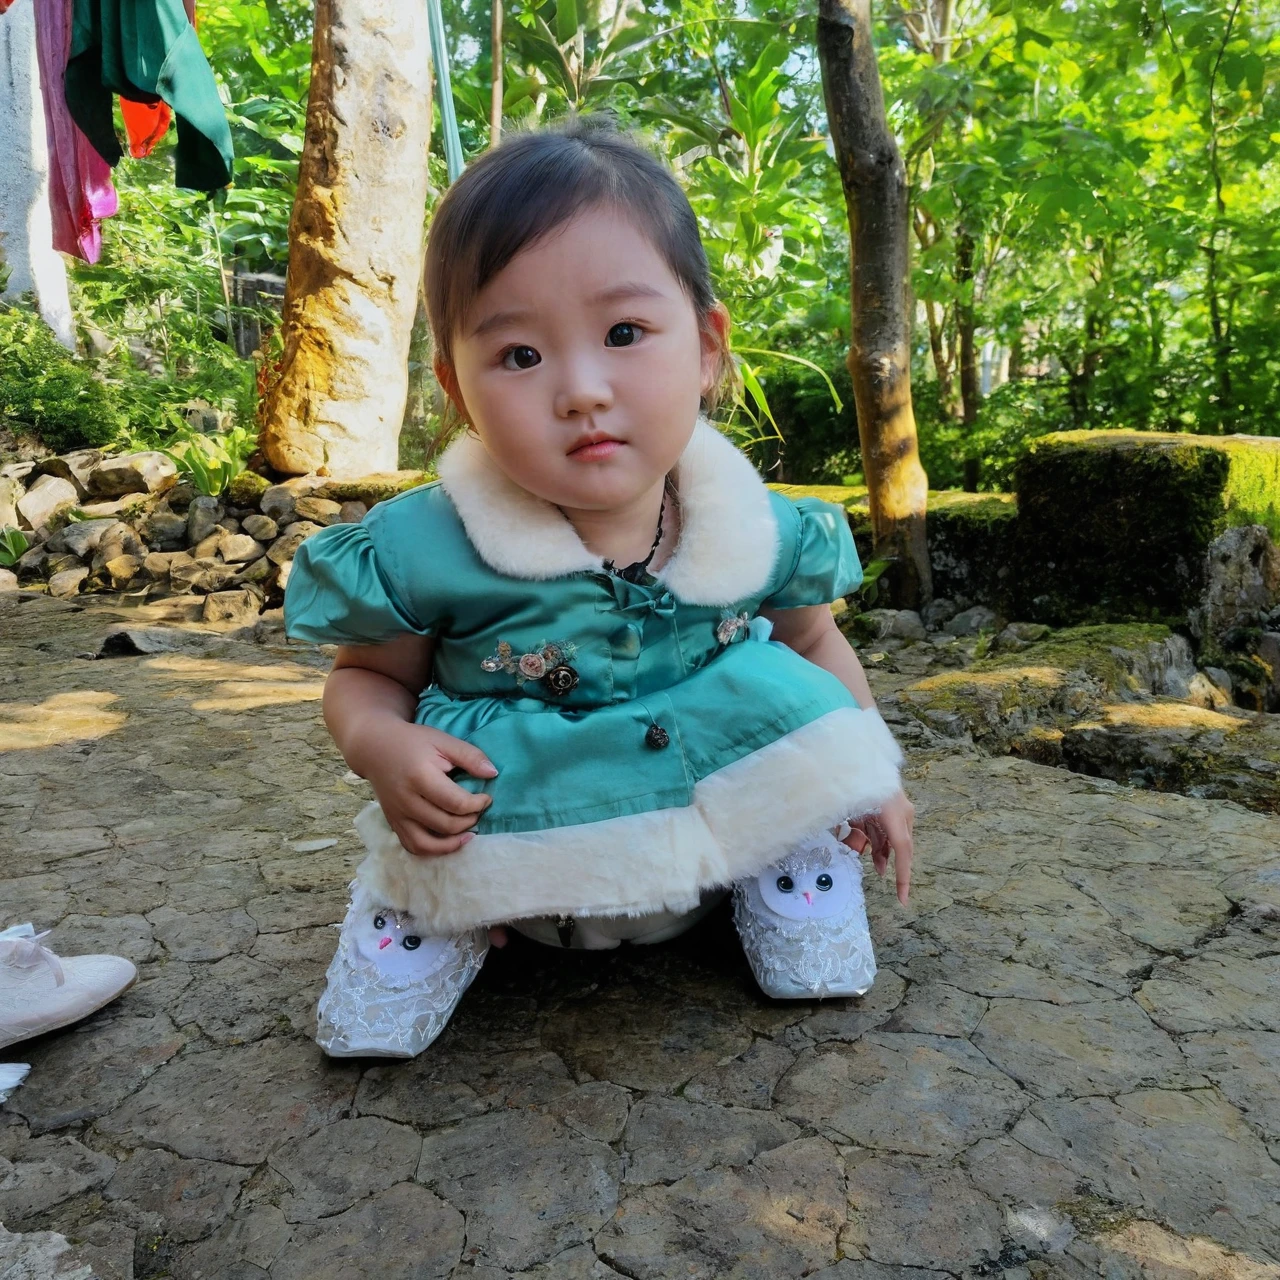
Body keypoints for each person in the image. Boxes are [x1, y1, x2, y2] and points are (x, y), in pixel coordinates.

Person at [283, 113, 915, 1059]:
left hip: (718, 811)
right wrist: (384, 748)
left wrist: (868, 776)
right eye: (519, 356)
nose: (580, 388)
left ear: (705, 348)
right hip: (518, 834)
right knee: (379, 999)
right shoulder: (424, 544)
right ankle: (427, 911)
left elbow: (817, 645)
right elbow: (365, 677)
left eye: (624, 332)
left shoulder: (755, 526)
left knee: (780, 704)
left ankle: (792, 861)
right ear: (457, 389)